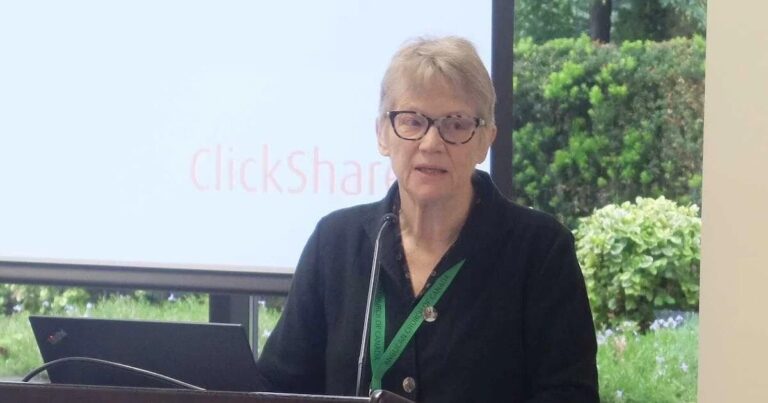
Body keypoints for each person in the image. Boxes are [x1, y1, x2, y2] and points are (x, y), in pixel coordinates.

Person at [255, 36, 599, 402]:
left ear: (486, 140)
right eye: (412, 121)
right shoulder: (335, 241)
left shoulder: (540, 250)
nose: (431, 143)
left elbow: (569, 395)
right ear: (383, 134)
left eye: (455, 124)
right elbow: (278, 386)